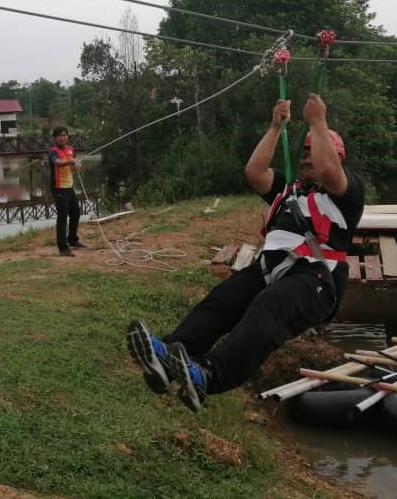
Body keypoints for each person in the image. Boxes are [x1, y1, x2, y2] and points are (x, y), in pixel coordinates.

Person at [126, 93, 365, 412]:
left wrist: (317, 122)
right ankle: (170, 353)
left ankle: (210, 376)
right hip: (270, 270)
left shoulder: (346, 193)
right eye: (303, 153)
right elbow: (254, 171)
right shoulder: (288, 192)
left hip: (316, 280)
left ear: (337, 157)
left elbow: (327, 170)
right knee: (223, 299)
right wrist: (275, 128)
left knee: (269, 308)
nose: (308, 159)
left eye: (314, 152)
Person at [48, 126, 83, 257]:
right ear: (55, 138)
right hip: (59, 188)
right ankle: (63, 248)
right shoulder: (53, 152)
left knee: (76, 213)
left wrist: (77, 165)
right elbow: (58, 163)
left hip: (69, 186)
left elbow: (74, 168)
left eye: (65, 135)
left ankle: (73, 240)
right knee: (62, 217)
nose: (63, 137)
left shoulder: (70, 150)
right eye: (60, 135)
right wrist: (70, 161)